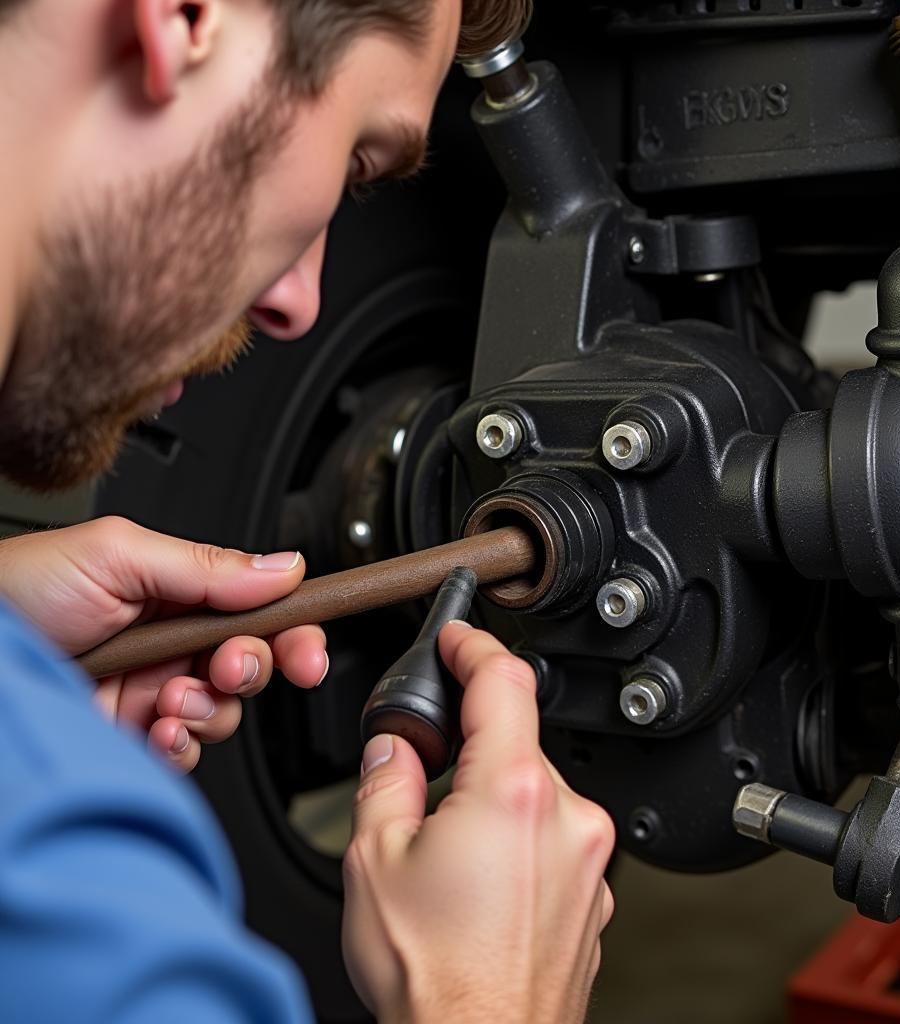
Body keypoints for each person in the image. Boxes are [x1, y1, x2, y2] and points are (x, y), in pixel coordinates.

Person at [0, 1, 616, 1022]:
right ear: (184, 18)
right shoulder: (79, 893)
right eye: (356, 161)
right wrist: (484, 992)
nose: (298, 299)